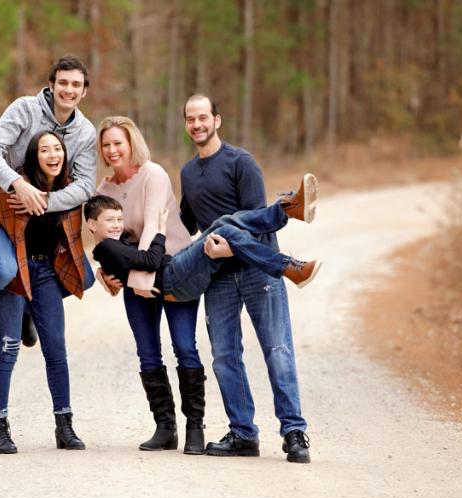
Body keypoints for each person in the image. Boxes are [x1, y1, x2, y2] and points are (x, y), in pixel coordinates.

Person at [180, 94, 312, 463]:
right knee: (224, 356)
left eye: (203, 117)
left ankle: (294, 431)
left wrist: (230, 249)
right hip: (218, 277)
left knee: (278, 349)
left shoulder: (241, 162)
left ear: (217, 120)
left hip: (256, 270)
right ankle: (242, 433)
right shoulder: (188, 173)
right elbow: (186, 226)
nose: (197, 125)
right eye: (191, 119)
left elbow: (255, 223)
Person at [0, 55, 96, 363]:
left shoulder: (85, 132)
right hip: (4, 207)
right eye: (63, 83)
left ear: (84, 91)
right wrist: (19, 185)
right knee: (3, 269)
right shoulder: (24, 109)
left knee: (84, 277)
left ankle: (30, 306)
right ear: (51, 85)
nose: (68, 90)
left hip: (43, 219)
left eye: (76, 85)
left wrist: (44, 202)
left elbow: (85, 185)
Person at [0, 131, 87, 454]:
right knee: (8, 350)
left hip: (44, 272)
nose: (52, 155)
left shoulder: (69, 189)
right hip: (14, 277)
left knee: (56, 349)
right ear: (33, 157)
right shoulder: (16, 189)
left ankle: (65, 425)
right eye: (44, 150)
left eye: (57, 149)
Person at [94, 116, 206, 454]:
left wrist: (142, 280)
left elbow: (151, 232)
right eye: (106, 145)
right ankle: (165, 426)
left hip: (173, 269)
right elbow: (107, 239)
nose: (112, 150)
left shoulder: (153, 175)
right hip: (136, 276)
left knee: (184, 346)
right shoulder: (103, 191)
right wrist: (106, 273)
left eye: (118, 143)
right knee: (147, 351)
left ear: (132, 144)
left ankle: (195, 426)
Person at [86, 174, 320, 302]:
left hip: (175, 271)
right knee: (226, 230)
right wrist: (159, 231)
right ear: (92, 225)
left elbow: (129, 263)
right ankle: (287, 267)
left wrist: (105, 274)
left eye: (119, 219)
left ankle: (288, 210)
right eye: (110, 221)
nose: (117, 225)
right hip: (172, 281)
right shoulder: (107, 247)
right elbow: (150, 261)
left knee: (224, 222)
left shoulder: (111, 247)